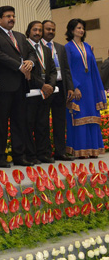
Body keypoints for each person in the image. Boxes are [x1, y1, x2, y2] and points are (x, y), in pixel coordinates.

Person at [0, 6, 36, 168]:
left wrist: (30, 62)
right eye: (8, 16)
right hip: (3, 86)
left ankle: (19, 155)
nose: (11, 19)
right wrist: (20, 66)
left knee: (19, 122)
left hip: (21, 85)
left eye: (13, 16)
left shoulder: (20, 36)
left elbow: (31, 52)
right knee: (1, 123)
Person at [64, 18, 106, 158]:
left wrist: (96, 88)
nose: (81, 30)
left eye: (82, 28)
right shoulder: (68, 47)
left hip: (90, 87)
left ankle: (93, 149)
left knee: (92, 116)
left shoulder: (88, 46)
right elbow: (67, 69)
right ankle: (80, 150)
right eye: (78, 28)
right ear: (71, 30)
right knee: (80, 117)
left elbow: (93, 68)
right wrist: (74, 86)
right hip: (78, 87)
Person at [41, 20, 75, 160]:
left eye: (53, 30)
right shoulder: (37, 47)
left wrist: (70, 87)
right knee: (43, 121)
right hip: (46, 87)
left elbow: (66, 70)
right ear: (42, 30)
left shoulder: (60, 48)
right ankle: (46, 153)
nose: (51, 32)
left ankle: (60, 152)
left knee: (60, 121)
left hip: (60, 87)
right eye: (48, 29)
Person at [24, 21, 57, 164]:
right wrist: (42, 85)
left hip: (45, 92)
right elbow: (27, 71)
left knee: (43, 124)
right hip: (31, 91)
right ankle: (31, 155)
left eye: (39, 30)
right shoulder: (24, 47)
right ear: (29, 31)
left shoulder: (47, 50)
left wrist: (50, 85)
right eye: (34, 30)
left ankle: (43, 153)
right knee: (29, 124)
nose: (37, 33)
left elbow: (53, 71)